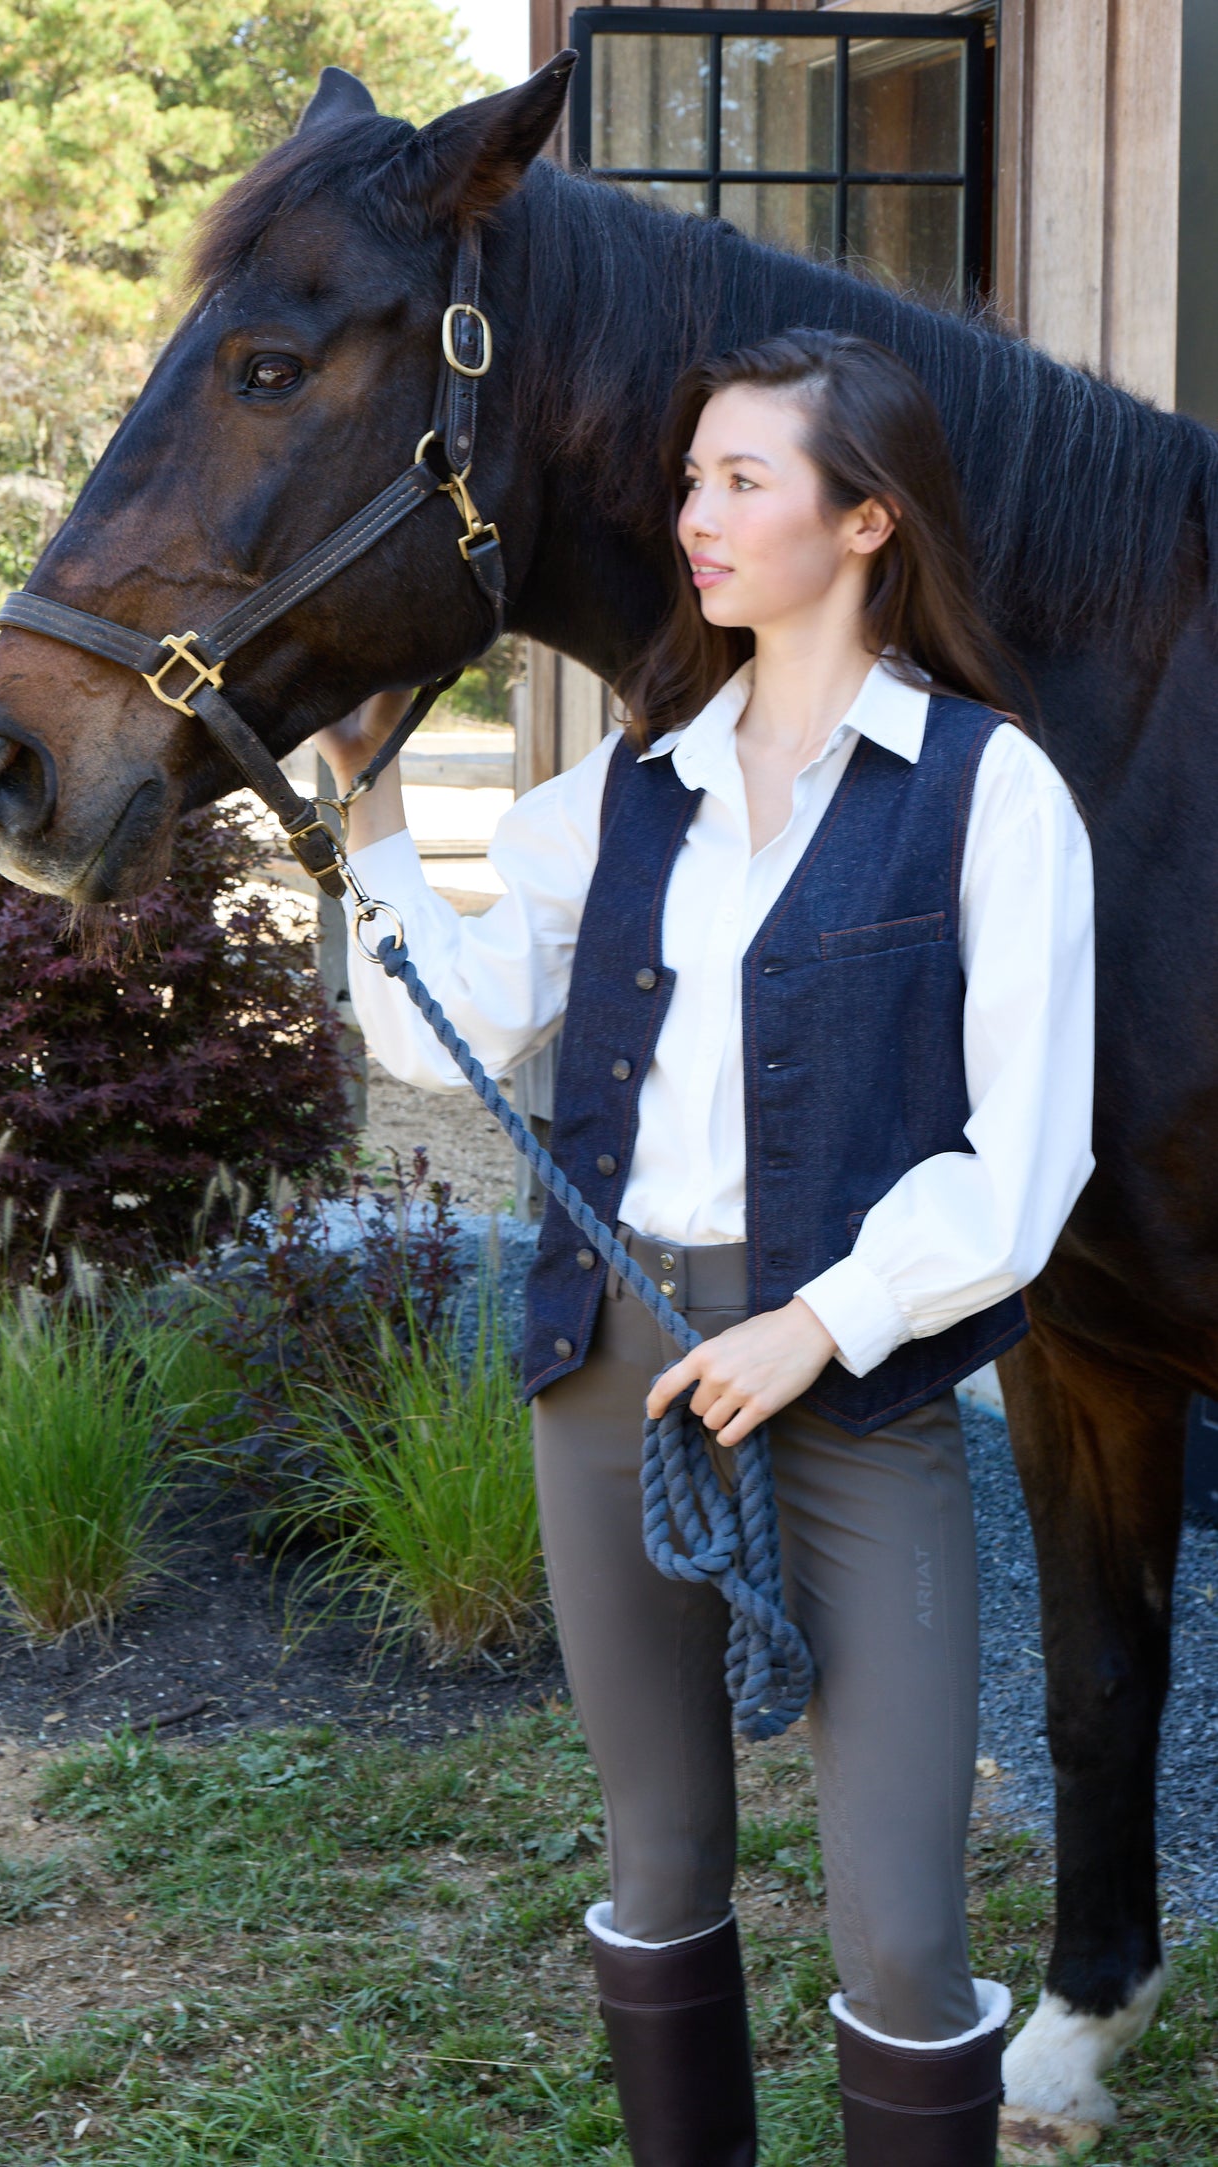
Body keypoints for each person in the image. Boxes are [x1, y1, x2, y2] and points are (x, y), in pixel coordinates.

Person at [315, 331, 1094, 2167]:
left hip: (842, 1384)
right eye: (692, 481)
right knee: (657, 1862)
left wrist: (813, 1327)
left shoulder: (987, 791)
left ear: (866, 521)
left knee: (903, 1934)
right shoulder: (628, 793)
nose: (696, 518)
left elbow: (1024, 1160)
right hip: (606, 1371)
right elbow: (445, 1022)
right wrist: (365, 808)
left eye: (744, 481)